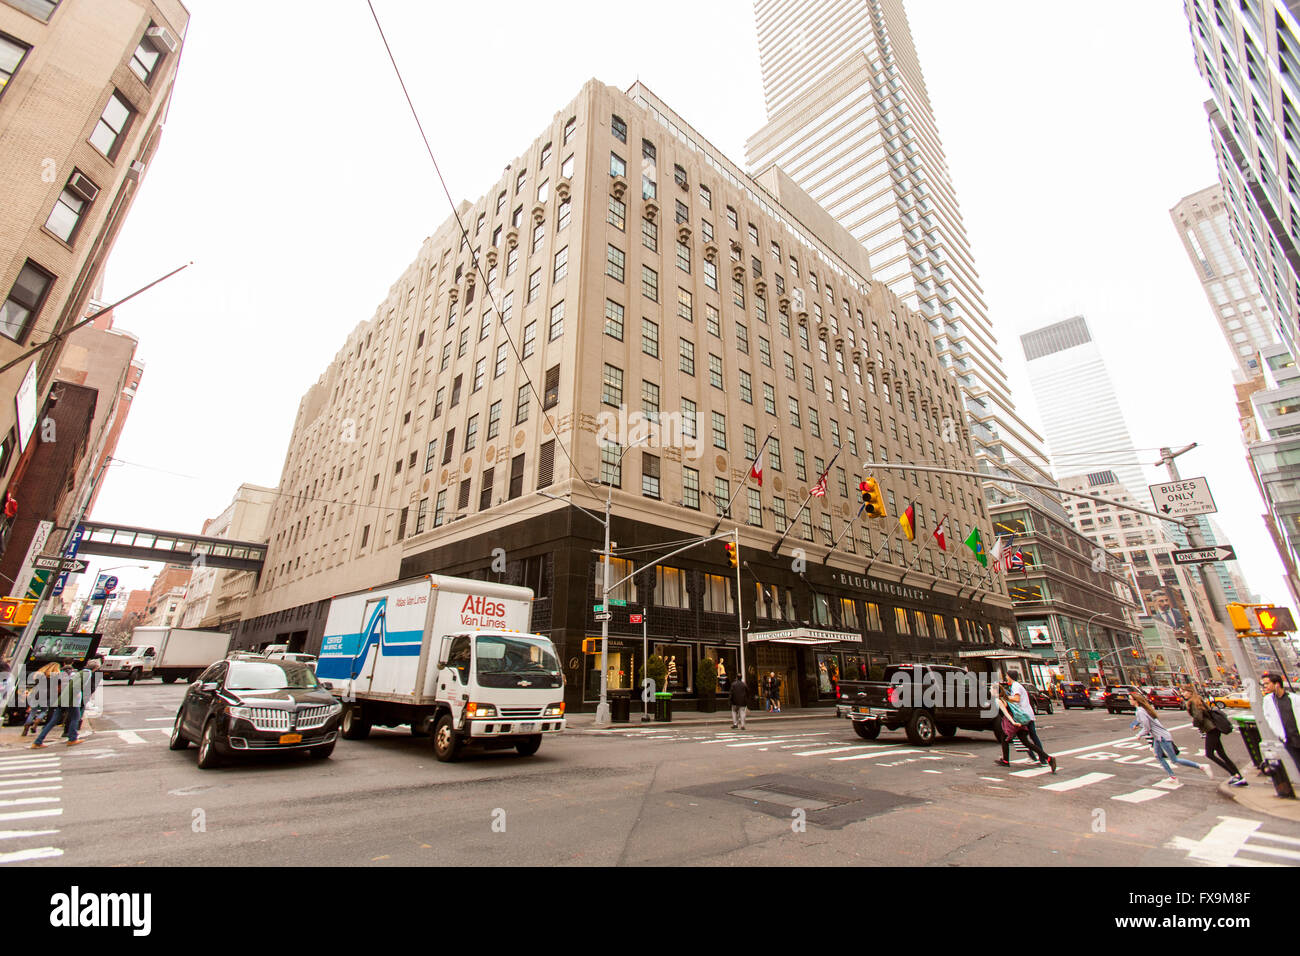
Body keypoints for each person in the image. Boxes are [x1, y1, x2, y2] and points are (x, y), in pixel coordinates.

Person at [1130, 690, 1207, 784]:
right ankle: (1172, 777)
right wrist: (1138, 726)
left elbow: (1147, 727)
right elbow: (1149, 724)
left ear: (1136, 701)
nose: (1129, 701)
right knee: (1158, 756)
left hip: (1162, 737)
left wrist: (1139, 734)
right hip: (1158, 737)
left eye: (1130, 699)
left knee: (1174, 760)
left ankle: (1200, 766)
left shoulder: (1140, 711)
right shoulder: (1145, 709)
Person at [1180, 684, 1245, 786]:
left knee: (1209, 754)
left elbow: (1198, 717)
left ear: (1190, 692)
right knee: (1221, 754)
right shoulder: (1198, 699)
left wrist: (1195, 725)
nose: (1182, 694)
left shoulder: (1193, 702)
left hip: (1211, 729)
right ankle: (1238, 776)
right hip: (1214, 728)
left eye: (1184, 691)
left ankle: (1235, 775)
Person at [994, 684, 1055, 771]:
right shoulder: (1007, 698)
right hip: (1020, 722)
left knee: (1004, 739)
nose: (989, 691)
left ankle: (1006, 761)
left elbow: (1006, 714)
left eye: (991, 689)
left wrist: (1013, 723)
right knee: (1026, 743)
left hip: (1012, 724)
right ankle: (1049, 758)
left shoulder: (998, 700)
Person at [30, 663, 85, 748]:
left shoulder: (59, 677)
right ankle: (72, 739)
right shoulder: (71, 679)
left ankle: (38, 741)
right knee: (75, 718)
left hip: (59, 701)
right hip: (70, 701)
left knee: (52, 722)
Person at [1005, 670, 1050, 767]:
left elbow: (1017, 699)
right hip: (1027, 714)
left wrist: (1005, 697)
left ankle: (1041, 758)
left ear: (1010, 676)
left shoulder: (1015, 686)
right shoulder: (1017, 685)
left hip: (1023, 716)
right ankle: (1038, 758)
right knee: (1029, 737)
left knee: (1024, 738)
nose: (1006, 677)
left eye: (1007, 675)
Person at [1259, 672, 1300, 769]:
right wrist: (1280, 734)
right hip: (1289, 740)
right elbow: (1269, 717)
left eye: (1267, 683)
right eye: (1263, 684)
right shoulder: (1268, 700)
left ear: (1277, 684)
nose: (1265, 686)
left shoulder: (1294, 699)